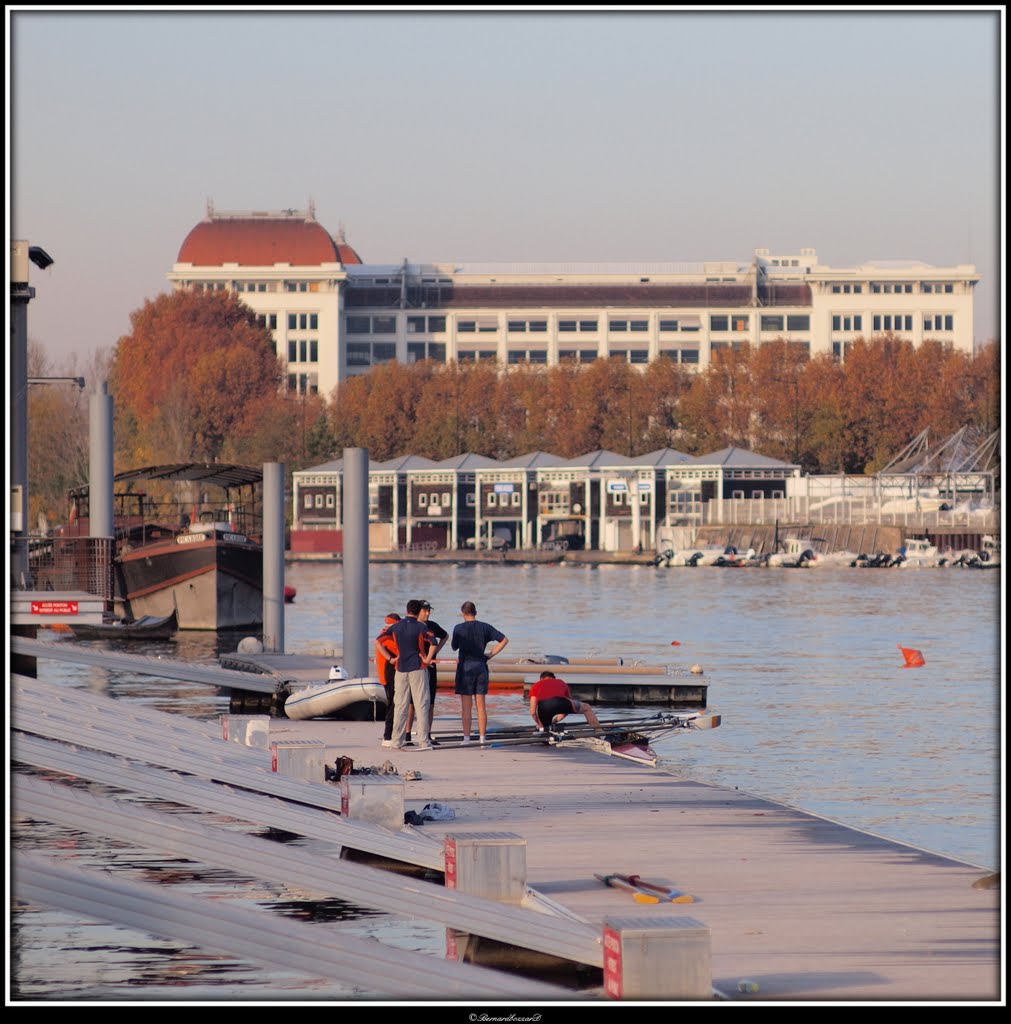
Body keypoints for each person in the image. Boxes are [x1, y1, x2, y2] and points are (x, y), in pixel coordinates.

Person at [379, 599, 437, 750]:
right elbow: (434, 642)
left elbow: (378, 642)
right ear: (418, 612)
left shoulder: (396, 627)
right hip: (418, 667)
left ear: (406, 610)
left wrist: (390, 659)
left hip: (400, 668)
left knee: (400, 705)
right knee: (421, 704)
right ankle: (423, 741)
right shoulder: (421, 627)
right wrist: (428, 659)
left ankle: (397, 740)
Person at [451, 601, 508, 744]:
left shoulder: (458, 628)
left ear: (463, 613)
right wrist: (490, 654)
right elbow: (504, 640)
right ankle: (482, 737)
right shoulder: (485, 627)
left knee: (466, 706)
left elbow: (454, 647)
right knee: (481, 705)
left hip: (465, 667)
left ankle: (466, 738)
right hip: (481, 666)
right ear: (475, 612)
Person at [408, 600, 448, 745]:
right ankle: (407, 733)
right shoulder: (412, 625)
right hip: (415, 666)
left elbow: (445, 636)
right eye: (425, 611)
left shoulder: (432, 626)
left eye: (429, 611)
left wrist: (435, 652)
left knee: (430, 702)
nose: (427, 613)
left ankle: (427, 733)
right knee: (412, 703)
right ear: (418, 611)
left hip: (430, 667)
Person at [529, 670, 602, 734]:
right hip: (561, 703)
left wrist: (539, 723)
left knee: (545, 729)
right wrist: (554, 721)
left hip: (544, 707)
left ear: (541, 679)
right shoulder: (560, 682)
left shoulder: (536, 685)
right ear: (554, 678)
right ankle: (599, 732)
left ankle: (545, 738)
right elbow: (567, 706)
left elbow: (532, 712)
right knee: (587, 708)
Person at [375, 612, 400, 748]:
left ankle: (391, 734)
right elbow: (398, 651)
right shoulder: (388, 637)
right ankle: (388, 736)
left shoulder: (384, 634)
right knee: (393, 704)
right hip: (388, 674)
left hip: (385, 674)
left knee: (394, 703)